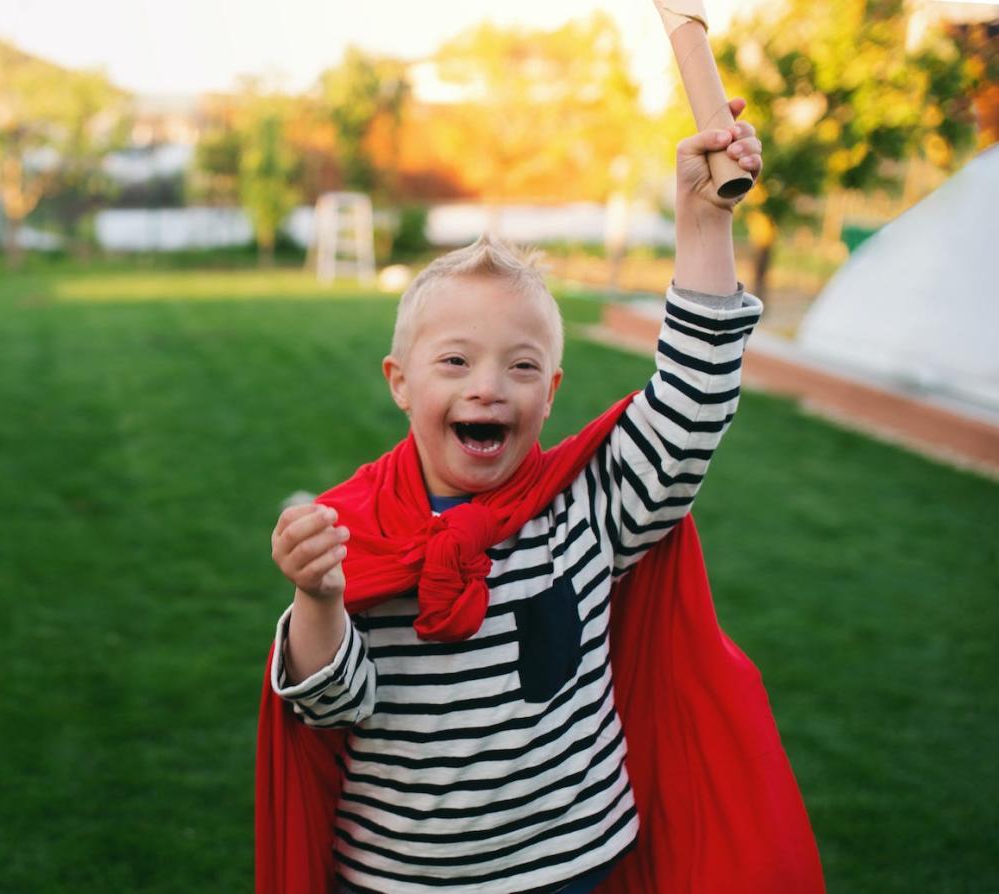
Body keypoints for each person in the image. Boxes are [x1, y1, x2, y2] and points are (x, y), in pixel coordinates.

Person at [258, 99, 820, 894]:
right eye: (455, 362)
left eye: (521, 367)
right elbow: (333, 705)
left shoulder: (590, 503)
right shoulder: (360, 529)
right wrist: (317, 595)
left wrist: (703, 221)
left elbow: (694, 397)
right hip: (400, 879)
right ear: (400, 383)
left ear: (551, 393)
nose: (489, 388)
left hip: (571, 868)